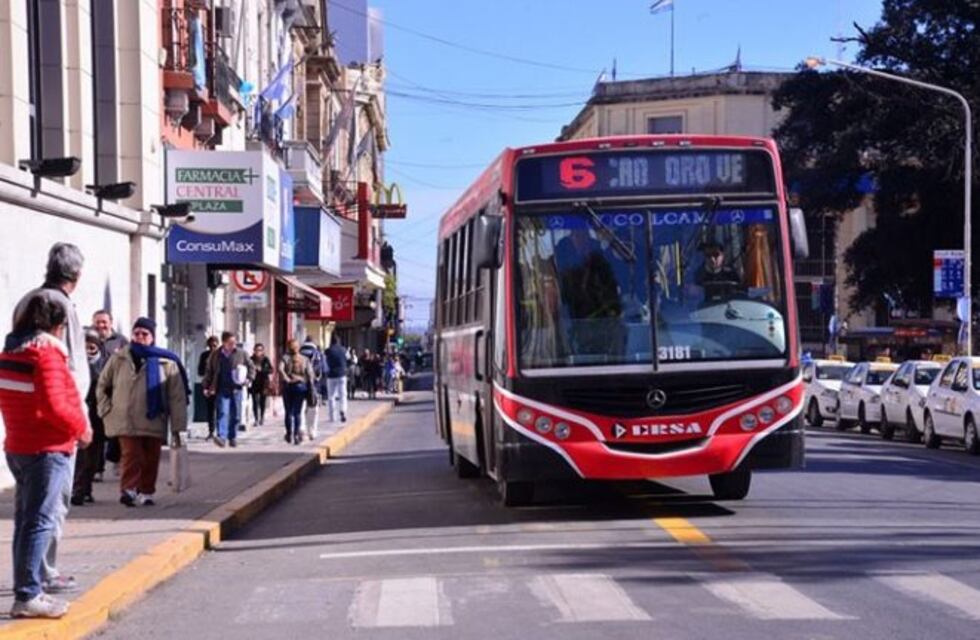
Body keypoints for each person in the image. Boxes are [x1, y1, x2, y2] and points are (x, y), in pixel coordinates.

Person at [0, 296, 91, 618]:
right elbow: (55, 405)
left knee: (26, 522)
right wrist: (81, 429)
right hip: (47, 449)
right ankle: (28, 594)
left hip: (19, 445)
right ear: (55, 325)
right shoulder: (46, 355)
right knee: (39, 522)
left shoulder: (10, 354)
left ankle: (26, 588)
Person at [11, 243, 87, 596]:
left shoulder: (26, 301)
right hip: (52, 430)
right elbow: (67, 371)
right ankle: (40, 575)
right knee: (49, 507)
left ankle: (29, 575)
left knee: (28, 511)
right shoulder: (60, 309)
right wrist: (80, 423)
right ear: (77, 274)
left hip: (22, 423)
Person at [97, 318, 189, 507]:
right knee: (131, 455)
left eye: (144, 334)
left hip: (154, 417)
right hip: (126, 417)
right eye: (136, 333)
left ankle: (146, 491)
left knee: (150, 457)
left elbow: (177, 396)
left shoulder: (167, 362)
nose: (140, 337)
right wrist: (106, 409)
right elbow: (102, 385)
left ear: (152, 337)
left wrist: (178, 426)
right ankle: (128, 490)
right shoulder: (119, 358)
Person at [70, 330, 108, 506]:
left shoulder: (106, 363)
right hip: (79, 413)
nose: (88, 350)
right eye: (85, 346)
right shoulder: (74, 362)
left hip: (97, 416)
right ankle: (78, 489)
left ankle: (86, 488)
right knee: (80, 455)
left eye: (92, 346)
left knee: (93, 457)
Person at [203, 332, 254, 448]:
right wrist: (206, 386)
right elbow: (209, 371)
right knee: (223, 412)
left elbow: (251, 366)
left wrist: (249, 378)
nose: (233, 345)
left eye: (234, 342)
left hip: (236, 388)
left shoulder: (241, 353)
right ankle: (222, 437)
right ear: (224, 343)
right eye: (230, 342)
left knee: (236, 415)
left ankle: (232, 436)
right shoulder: (216, 355)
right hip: (222, 388)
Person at [93, 310, 128, 481]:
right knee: (97, 432)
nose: (101, 325)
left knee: (115, 430)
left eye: (104, 322)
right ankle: (97, 469)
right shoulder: (89, 339)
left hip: (114, 392)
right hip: (93, 392)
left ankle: (115, 460)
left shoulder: (120, 341)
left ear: (111, 323)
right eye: (97, 322)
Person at [279, 340, 315, 445]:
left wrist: (286, 378)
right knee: (297, 412)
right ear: (298, 347)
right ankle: (296, 434)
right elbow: (310, 374)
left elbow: (280, 369)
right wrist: (310, 386)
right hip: (301, 387)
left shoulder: (285, 358)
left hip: (288, 386)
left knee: (288, 411)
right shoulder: (305, 359)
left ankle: (289, 433)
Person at [299, 336, 325, 440]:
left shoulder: (298, 353)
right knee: (313, 408)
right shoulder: (318, 354)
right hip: (314, 385)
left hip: (300, 383)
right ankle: (312, 431)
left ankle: (301, 429)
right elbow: (324, 369)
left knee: (300, 407)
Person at [197, 336, 219, 439]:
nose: (212, 347)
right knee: (210, 408)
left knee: (220, 408)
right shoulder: (204, 355)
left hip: (220, 385)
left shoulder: (221, 355)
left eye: (214, 345)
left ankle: (221, 431)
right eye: (210, 345)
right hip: (208, 385)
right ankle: (211, 431)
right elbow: (200, 370)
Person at [324, 336, 348, 423]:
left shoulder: (327, 351)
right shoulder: (344, 350)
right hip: (342, 374)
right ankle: (343, 410)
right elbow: (348, 359)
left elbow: (325, 363)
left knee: (331, 396)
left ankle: (332, 417)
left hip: (331, 375)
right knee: (343, 395)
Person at [249, 344, 273, 426]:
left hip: (264, 383)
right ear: (254, 350)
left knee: (262, 401)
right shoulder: (251, 359)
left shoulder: (265, 359)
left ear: (262, 351)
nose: (258, 352)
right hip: (254, 382)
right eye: (256, 350)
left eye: (260, 350)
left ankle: (262, 417)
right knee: (255, 401)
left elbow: (271, 370)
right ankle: (256, 418)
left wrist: (262, 370)